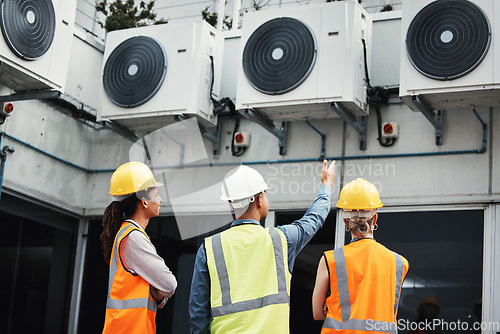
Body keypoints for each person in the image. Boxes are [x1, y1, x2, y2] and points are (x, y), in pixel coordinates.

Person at [189, 160, 336, 333]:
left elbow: (198, 313)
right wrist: (326, 186)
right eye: (265, 194)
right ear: (259, 200)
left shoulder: (209, 248)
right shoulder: (281, 240)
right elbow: (313, 219)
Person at [312, 178, 409, 333]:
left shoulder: (330, 260)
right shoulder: (399, 263)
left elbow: (318, 314)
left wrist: (332, 308)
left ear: (345, 222)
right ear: (375, 218)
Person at [100, 161, 177, 334]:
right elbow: (169, 284)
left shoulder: (127, 233)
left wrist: (157, 294)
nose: (160, 200)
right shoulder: (133, 238)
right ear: (144, 201)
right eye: (156, 195)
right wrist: (157, 293)